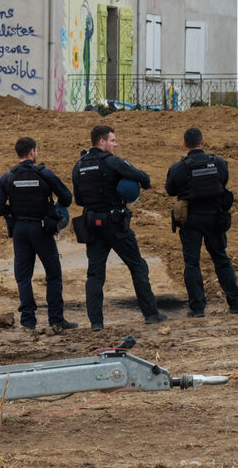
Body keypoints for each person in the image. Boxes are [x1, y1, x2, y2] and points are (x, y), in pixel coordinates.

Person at [71, 124, 167, 330]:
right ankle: (151, 314)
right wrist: (129, 187)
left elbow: (78, 199)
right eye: (112, 141)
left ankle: (96, 323)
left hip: (92, 225)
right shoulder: (112, 161)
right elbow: (143, 178)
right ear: (102, 141)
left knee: (95, 275)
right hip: (115, 225)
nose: (115, 145)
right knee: (138, 266)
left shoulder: (79, 166)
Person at [0, 137, 78, 331]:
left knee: (23, 277)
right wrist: (53, 207)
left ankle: (28, 321)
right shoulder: (44, 173)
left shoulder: (8, 177)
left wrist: (14, 210)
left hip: (19, 230)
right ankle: (56, 319)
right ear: (32, 152)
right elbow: (67, 198)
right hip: (41, 228)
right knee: (53, 274)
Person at [165, 127, 238, 317]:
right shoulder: (219, 163)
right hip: (215, 218)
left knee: (192, 263)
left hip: (190, 219)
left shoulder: (178, 167)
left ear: (184, 144)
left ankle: (197, 308)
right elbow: (224, 182)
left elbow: (170, 190)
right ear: (203, 142)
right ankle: (235, 304)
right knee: (221, 259)